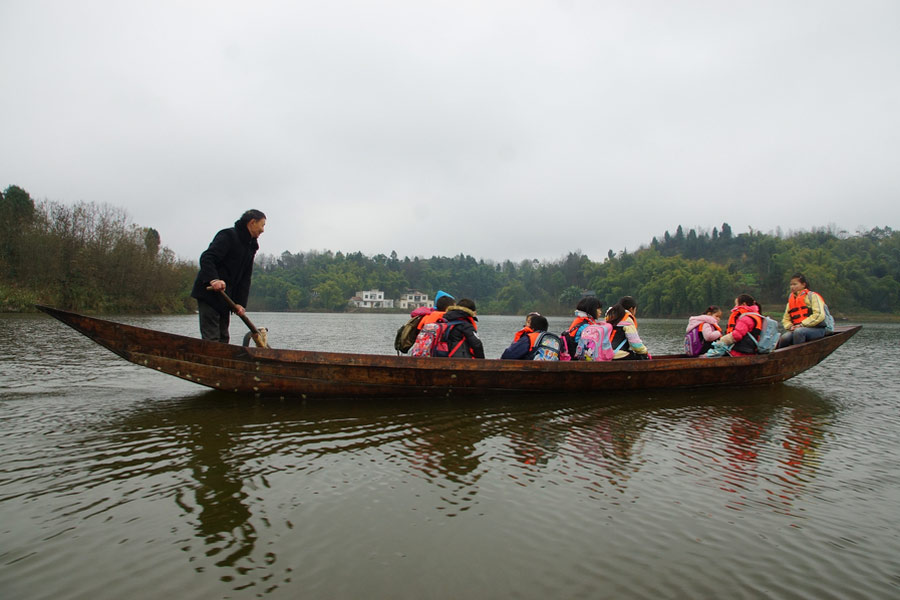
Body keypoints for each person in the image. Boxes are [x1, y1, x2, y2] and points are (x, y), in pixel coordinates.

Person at [191, 209, 266, 343]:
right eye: (262, 225)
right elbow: (207, 258)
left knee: (224, 338)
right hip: (209, 293)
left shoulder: (251, 246)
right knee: (212, 338)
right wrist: (214, 280)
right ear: (252, 222)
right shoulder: (228, 235)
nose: (263, 230)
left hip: (226, 298)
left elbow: (245, 277)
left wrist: (240, 303)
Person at [779, 273, 828, 347]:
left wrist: (802, 324)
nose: (792, 287)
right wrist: (790, 326)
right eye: (791, 285)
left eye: (795, 284)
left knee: (799, 332)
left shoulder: (813, 296)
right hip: (797, 329)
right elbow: (786, 319)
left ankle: (798, 352)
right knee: (784, 337)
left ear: (803, 285)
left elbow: (819, 315)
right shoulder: (791, 301)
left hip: (817, 329)